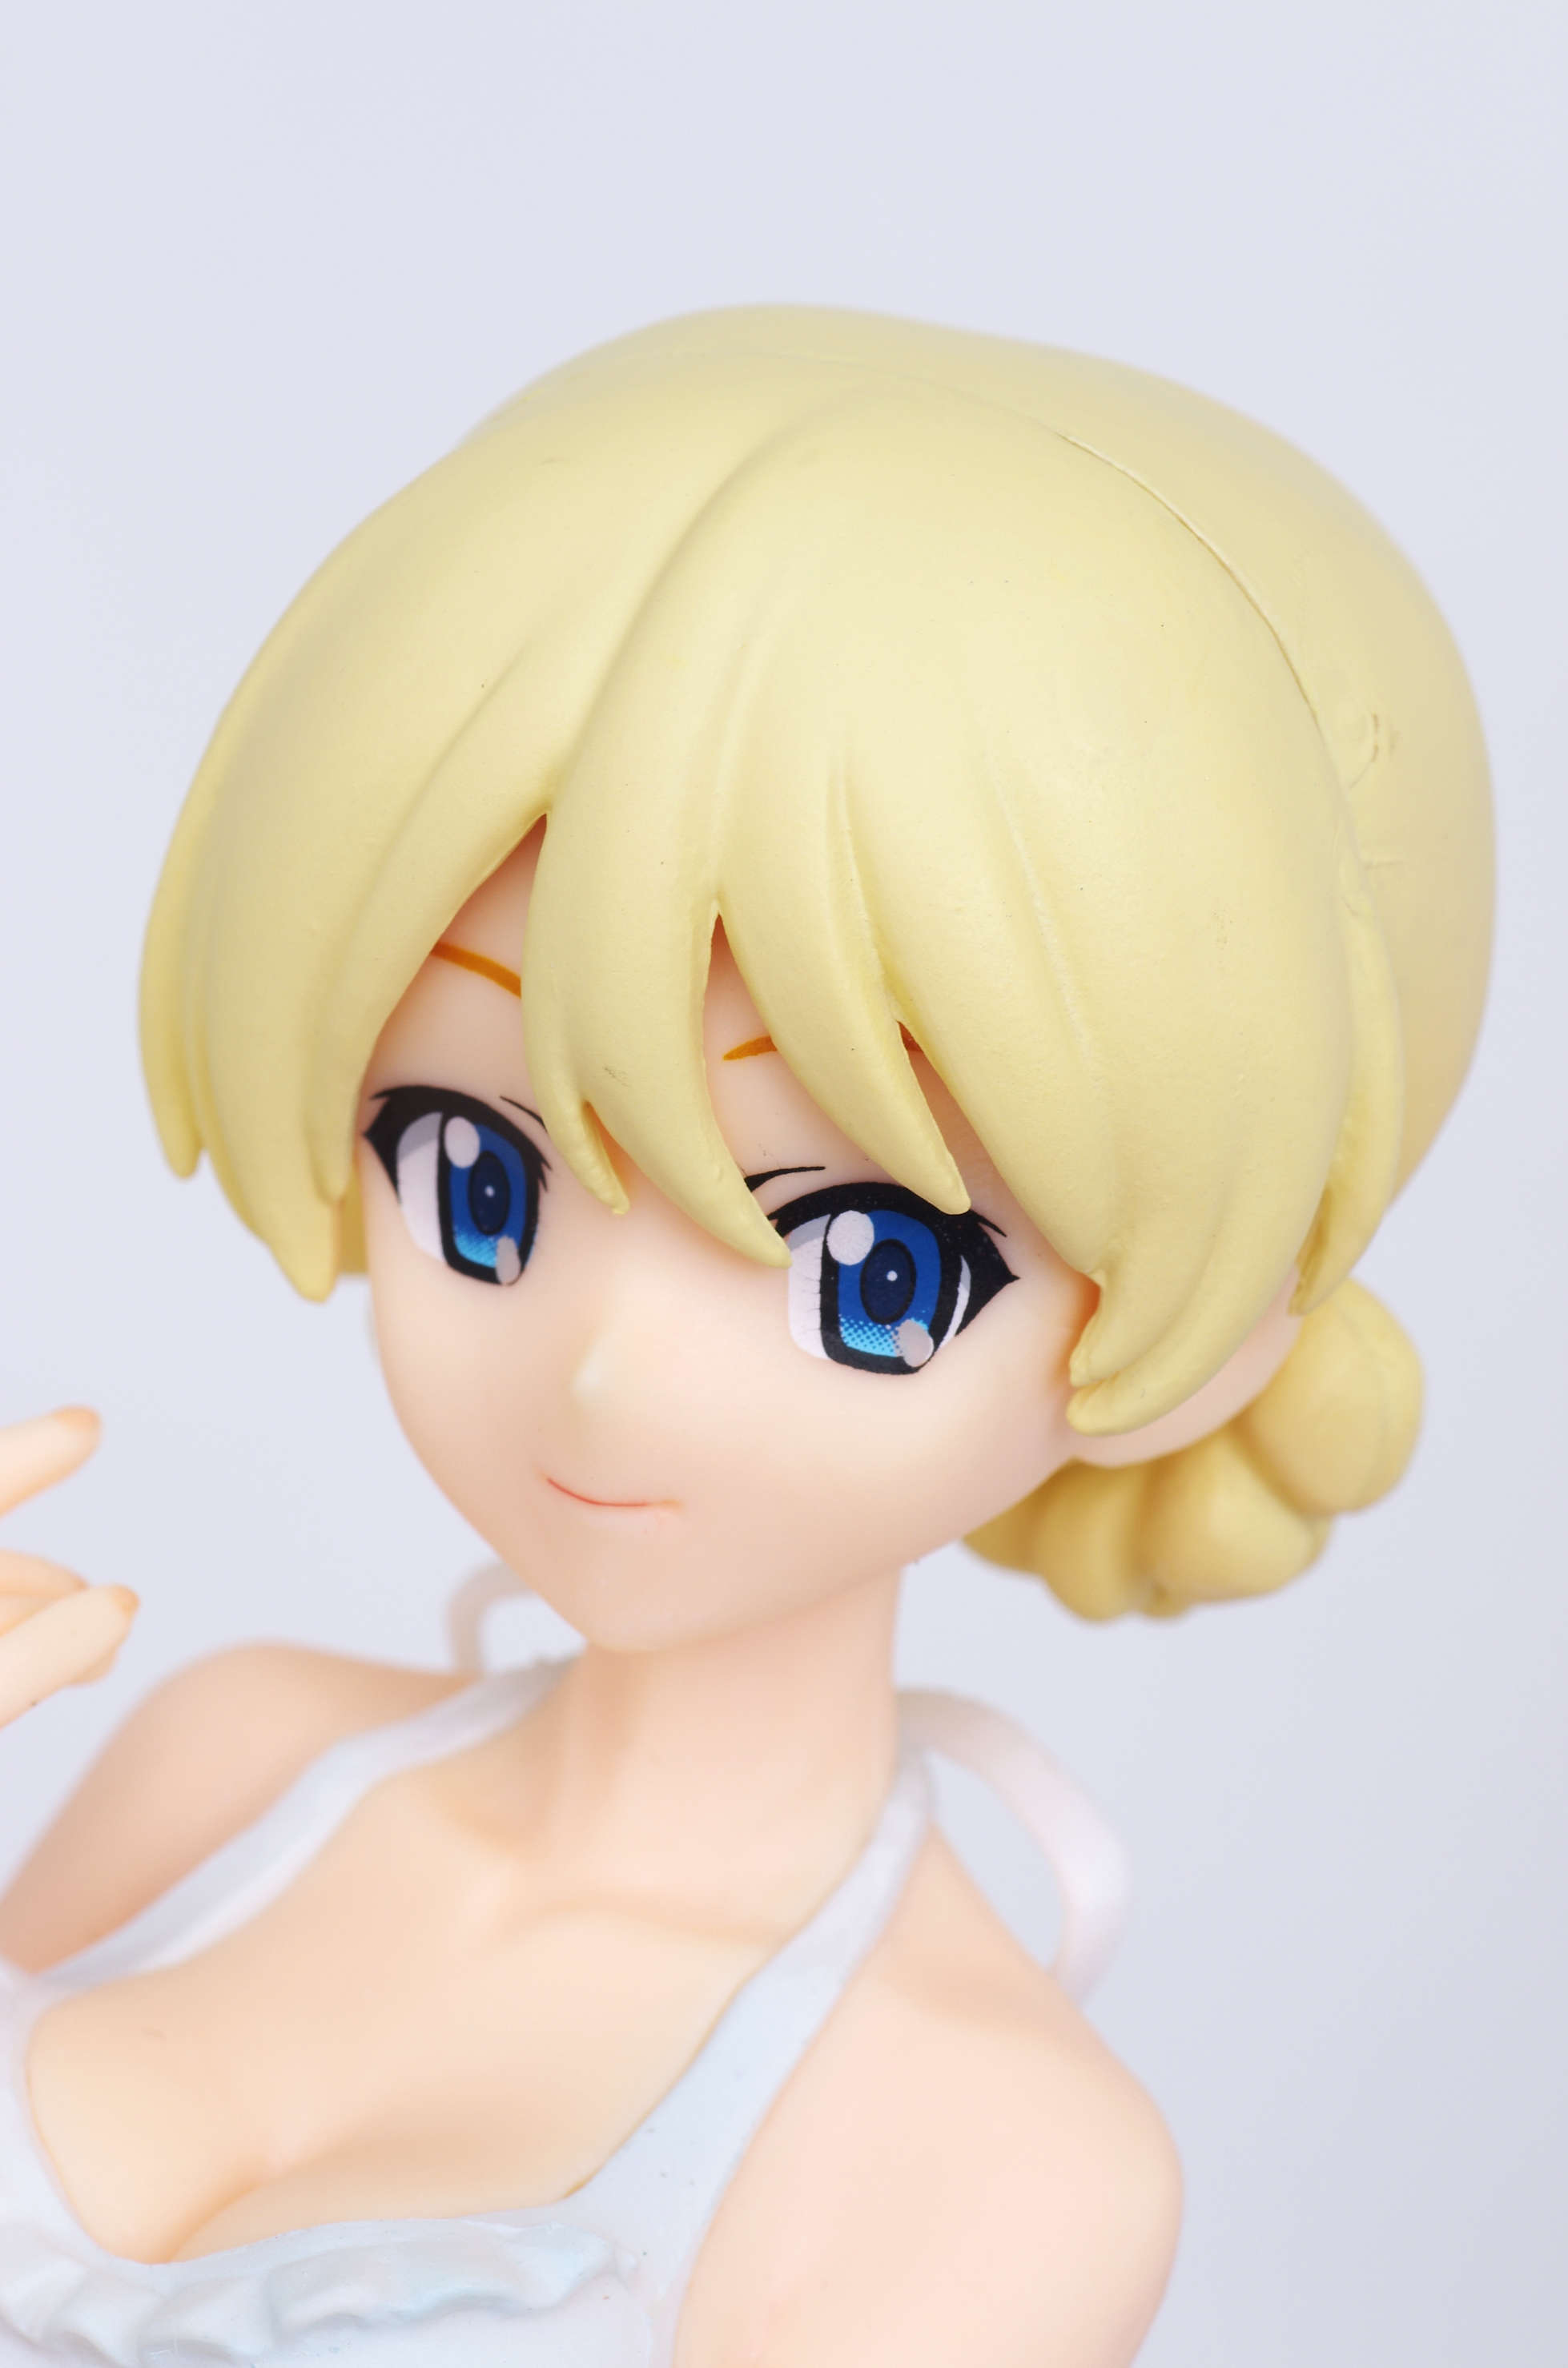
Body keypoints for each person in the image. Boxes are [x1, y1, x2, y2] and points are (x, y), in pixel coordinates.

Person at [0, 306, 1491, 2366]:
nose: (602, 1374)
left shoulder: (993, 2164)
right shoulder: (229, 1756)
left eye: (867, 1269)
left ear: (1224, 1328)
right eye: (475, 1175)